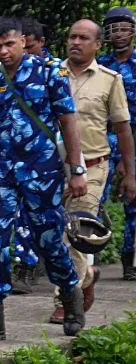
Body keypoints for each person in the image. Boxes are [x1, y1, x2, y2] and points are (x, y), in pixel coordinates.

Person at [0, 16, 88, 342]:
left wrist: (76, 170)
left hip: (42, 171)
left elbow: (67, 121)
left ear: (23, 41)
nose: (4, 51)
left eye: (10, 44)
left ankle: (69, 291)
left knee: (49, 240)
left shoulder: (50, 71)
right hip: (2, 172)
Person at [47, 20, 136, 322]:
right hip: (49, 168)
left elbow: (123, 129)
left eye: (84, 38)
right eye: (72, 36)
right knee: (49, 234)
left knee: (76, 232)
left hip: (93, 167)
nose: (76, 42)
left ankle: (65, 300)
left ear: (98, 45)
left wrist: (129, 171)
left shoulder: (109, 80)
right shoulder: (49, 74)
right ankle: (86, 278)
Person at [9, 16, 52, 293]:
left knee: (50, 217)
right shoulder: (3, 74)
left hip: (49, 157)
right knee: (21, 214)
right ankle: (24, 266)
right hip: (15, 157)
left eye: (31, 46)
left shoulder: (52, 72)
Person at [98, 6, 136, 281]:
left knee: (133, 201)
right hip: (101, 136)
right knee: (92, 197)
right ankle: (90, 254)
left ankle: (129, 258)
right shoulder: (99, 64)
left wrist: (128, 158)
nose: (120, 34)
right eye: (114, 29)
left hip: (133, 136)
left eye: (124, 28)